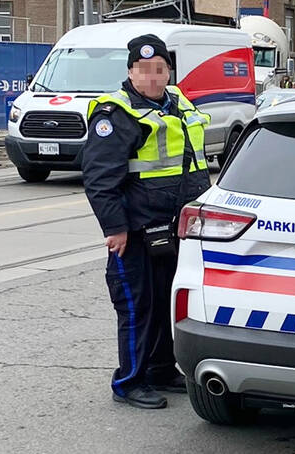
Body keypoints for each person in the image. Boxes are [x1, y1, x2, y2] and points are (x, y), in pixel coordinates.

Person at [81, 34, 212, 410]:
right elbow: (100, 179)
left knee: (165, 303)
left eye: (160, 70)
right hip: (135, 230)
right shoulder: (117, 113)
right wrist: (115, 228)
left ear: (169, 71)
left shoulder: (178, 103)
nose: (152, 78)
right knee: (137, 307)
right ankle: (129, 381)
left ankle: (160, 368)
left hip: (174, 227)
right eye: (144, 70)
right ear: (130, 72)